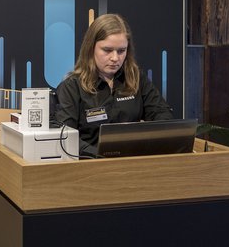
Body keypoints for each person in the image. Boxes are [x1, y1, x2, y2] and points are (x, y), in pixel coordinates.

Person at [55, 13, 172, 157]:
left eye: (121, 51)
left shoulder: (136, 78)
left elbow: (163, 115)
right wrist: (103, 156)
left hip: (134, 161)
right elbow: (66, 137)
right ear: (91, 48)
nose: (115, 58)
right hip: (91, 164)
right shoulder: (71, 87)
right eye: (107, 50)